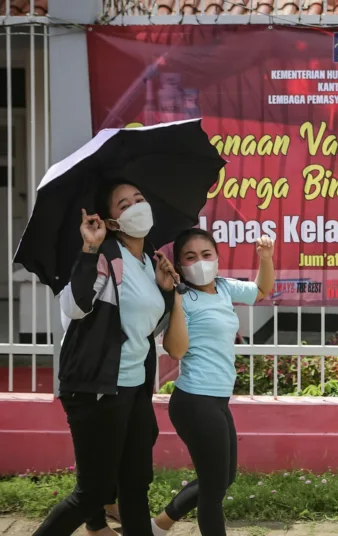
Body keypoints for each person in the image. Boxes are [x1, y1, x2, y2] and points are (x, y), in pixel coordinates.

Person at [34, 182, 179, 536]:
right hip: (96, 388)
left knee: (135, 483)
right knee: (94, 492)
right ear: (113, 221)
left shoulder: (150, 261)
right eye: (123, 204)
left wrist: (165, 289)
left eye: (139, 199)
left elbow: (149, 329)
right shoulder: (105, 255)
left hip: (133, 387)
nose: (135, 206)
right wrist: (89, 247)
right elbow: (75, 306)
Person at [149, 228, 274, 536]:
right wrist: (176, 297)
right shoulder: (182, 299)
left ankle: (158, 526)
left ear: (217, 258)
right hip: (195, 401)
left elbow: (260, 290)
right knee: (214, 489)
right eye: (190, 257)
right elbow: (176, 350)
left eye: (206, 255)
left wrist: (266, 258)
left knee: (221, 478)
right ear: (179, 264)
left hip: (216, 400)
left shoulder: (224, 288)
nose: (200, 262)